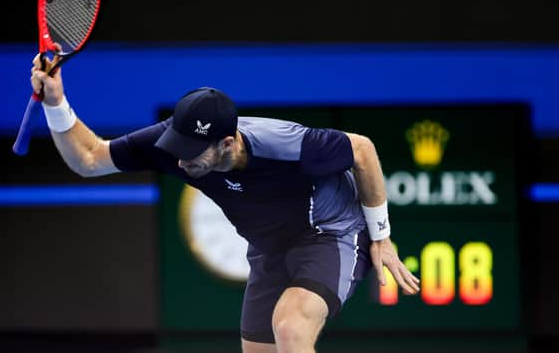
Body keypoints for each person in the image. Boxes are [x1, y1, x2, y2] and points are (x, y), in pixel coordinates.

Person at [30, 53, 420, 353]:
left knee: (290, 325)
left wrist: (381, 237)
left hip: (330, 232)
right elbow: (89, 159)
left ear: (228, 144)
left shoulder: (286, 145)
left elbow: (363, 151)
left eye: (194, 153)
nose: (182, 161)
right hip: (270, 247)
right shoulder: (171, 143)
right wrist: (56, 102)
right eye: (178, 149)